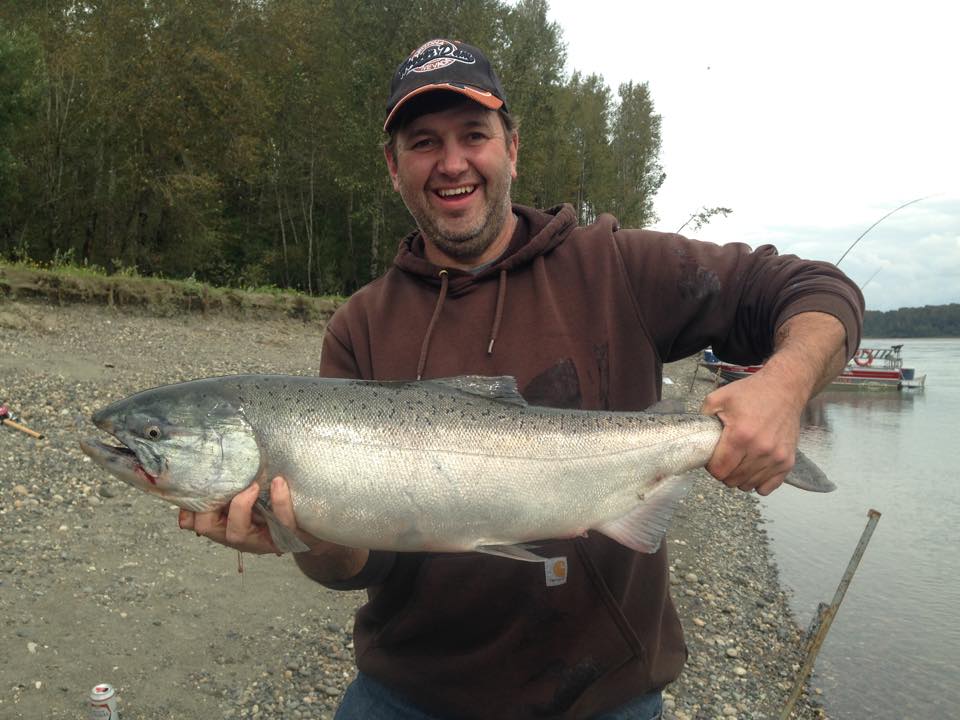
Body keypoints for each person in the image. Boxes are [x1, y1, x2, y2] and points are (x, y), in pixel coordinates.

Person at [179, 38, 864, 720]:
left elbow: (813, 289)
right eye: (424, 142)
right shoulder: (359, 326)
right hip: (410, 695)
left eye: (473, 135)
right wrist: (306, 534)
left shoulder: (615, 267)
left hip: (603, 698)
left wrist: (783, 386)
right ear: (393, 167)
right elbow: (360, 568)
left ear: (512, 148)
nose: (452, 163)